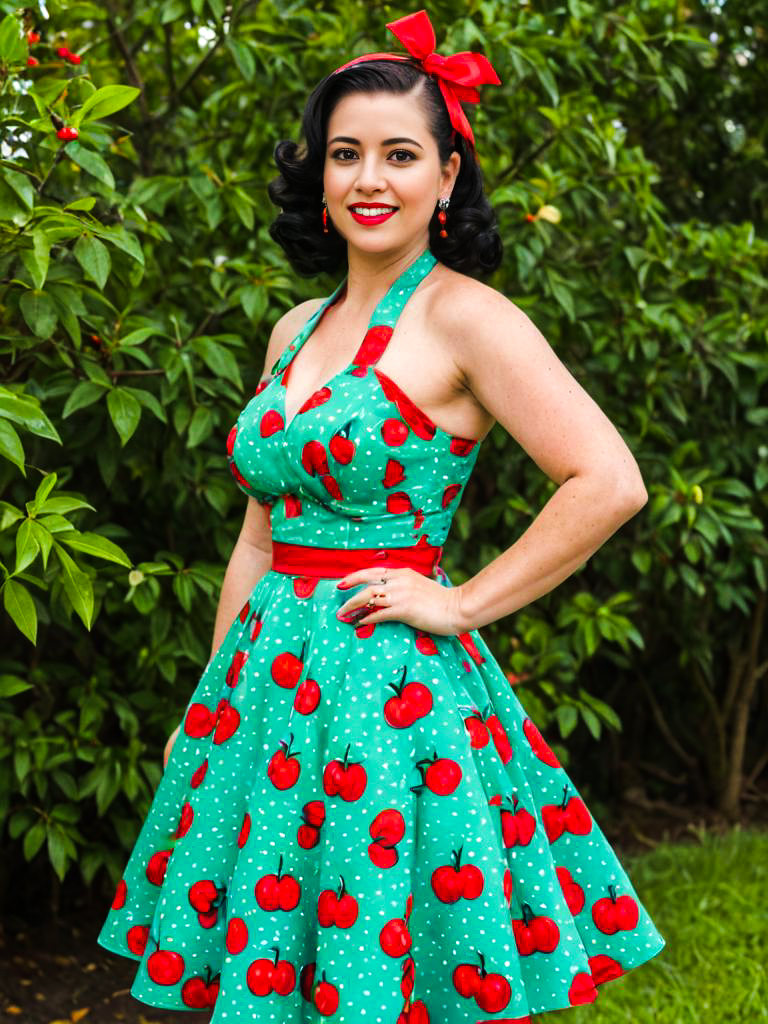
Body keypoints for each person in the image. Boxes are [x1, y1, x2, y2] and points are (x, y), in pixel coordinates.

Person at [97, 9, 665, 1021]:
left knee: (377, 967)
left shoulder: (468, 318)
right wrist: (214, 705)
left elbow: (608, 480)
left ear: (447, 175)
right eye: (345, 153)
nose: (369, 178)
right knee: (274, 973)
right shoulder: (294, 326)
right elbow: (259, 534)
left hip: (385, 696)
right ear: (318, 173)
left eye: (400, 154)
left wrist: (465, 603)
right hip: (261, 695)